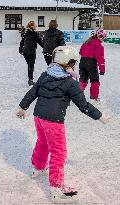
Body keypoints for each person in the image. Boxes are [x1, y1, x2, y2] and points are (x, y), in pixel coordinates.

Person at [16, 46, 109, 204]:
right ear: (68, 63)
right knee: (58, 153)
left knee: (42, 142)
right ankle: (56, 190)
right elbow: (83, 105)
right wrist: (99, 116)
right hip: (53, 121)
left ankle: (37, 168)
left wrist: (22, 107)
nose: (74, 66)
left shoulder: (46, 75)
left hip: (39, 117)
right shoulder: (70, 83)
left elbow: (33, 92)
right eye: (73, 63)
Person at [79, 28, 106, 102]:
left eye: (103, 37)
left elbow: (80, 52)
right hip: (91, 63)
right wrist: (102, 69)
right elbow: (100, 58)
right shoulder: (98, 45)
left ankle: (77, 95)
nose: (102, 39)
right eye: (101, 37)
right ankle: (94, 98)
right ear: (98, 36)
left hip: (82, 62)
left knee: (83, 80)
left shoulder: (87, 42)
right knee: (95, 81)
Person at [19, 21, 43, 86]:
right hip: (31, 52)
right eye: (35, 25)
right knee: (31, 66)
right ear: (32, 26)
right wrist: (45, 48)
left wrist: (20, 49)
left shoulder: (25, 33)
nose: (36, 26)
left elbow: (22, 42)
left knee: (29, 65)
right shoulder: (35, 33)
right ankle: (30, 80)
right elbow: (40, 42)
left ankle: (30, 79)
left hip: (25, 52)